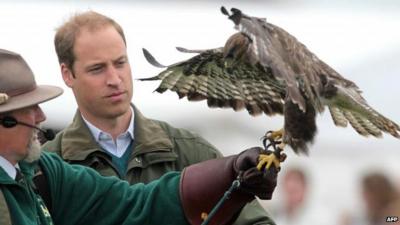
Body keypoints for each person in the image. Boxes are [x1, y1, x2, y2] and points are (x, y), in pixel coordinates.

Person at [41, 11, 275, 225]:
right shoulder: (48, 170)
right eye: (97, 69)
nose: (114, 79)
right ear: (67, 74)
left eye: (120, 63)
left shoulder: (190, 151)